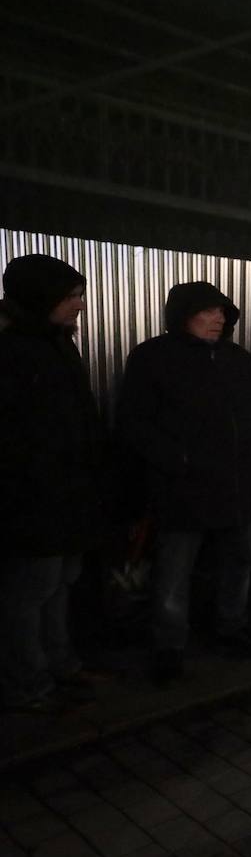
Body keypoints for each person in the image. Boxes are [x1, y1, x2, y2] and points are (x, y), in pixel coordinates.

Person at [117, 281, 251, 683]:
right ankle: (169, 645)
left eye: (223, 312)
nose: (219, 318)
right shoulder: (153, 357)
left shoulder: (238, 359)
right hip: (183, 488)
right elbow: (134, 422)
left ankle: (231, 628)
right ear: (183, 313)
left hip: (238, 487)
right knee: (174, 569)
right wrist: (176, 460)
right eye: (209, 311)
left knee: (239, 562)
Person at [0, 255, 107, 714]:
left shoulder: (60, 345)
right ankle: (29, 681)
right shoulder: (12, 352)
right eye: (70, 296)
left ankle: (61, 665)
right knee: (29, 593)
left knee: (63, 583)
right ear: (40, 298)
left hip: (71, 495)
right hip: (33, 501)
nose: (79, 304)